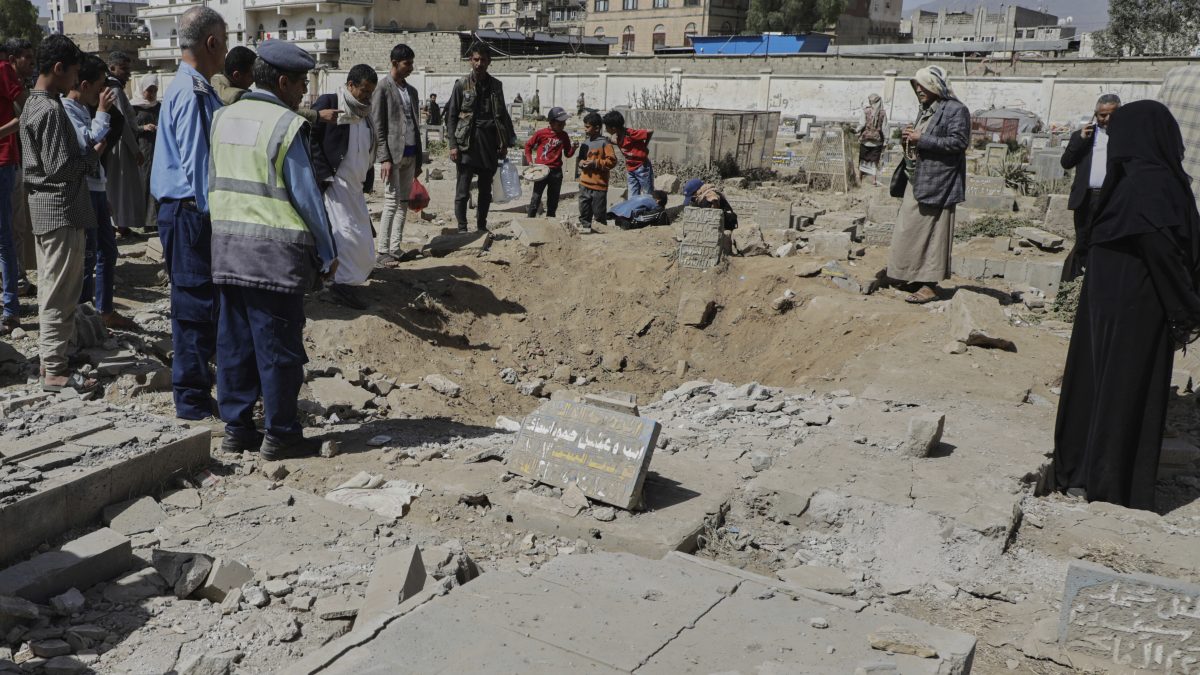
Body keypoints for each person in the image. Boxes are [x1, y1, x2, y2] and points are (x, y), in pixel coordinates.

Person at [1053, 100, 1200, 511]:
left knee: (1098, 384)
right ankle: (1112, 485)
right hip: (1139, 308)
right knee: (1126, 392)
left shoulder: (1125, 182)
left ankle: (1081, 473)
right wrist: (1188, 309)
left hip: (1104, 308)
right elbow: (1163, 253)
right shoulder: (1154, 184)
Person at [208, 41, 338, 460]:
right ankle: (281, 433)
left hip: (227, 250)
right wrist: (328, 249)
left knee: (235, 344)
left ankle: (238, 428)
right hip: (273, 257)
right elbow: (306, 196)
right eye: (301, 83)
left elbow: (208, 185)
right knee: (278, 346)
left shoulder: (222, 118)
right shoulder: (285, 124)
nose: (304, 91)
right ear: (282, 82)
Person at [151, 5, 227, 421]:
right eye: (225, 40)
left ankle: (196, 392)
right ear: (211, 43)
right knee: (195, 306)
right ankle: (192, 401)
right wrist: (217, 218)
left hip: (183, 212)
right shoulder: (193, 91)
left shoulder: (190, 86)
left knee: (198, 302)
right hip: (191, 211)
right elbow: (201, 166)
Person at [21, 35, 100, 393]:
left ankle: (56, 358)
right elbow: (60, 167)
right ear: (58, 69)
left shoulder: (34, 104)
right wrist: (91, 157)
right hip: (61, 210)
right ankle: (53, 368)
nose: (75, 81)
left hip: (50, 209)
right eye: (73, 73)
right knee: (59, 291)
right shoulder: (51, 110)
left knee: (57, 288)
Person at [64, 54, 137, 331]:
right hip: (82, 190)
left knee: (107, 250)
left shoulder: (83, 108)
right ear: (84, 85)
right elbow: (88, 145)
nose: (101, 93)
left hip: (96, 188)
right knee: (88, 255)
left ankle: (104, 310)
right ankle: (84, 316)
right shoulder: (68, 110)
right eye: (98, 87)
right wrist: (104, 112)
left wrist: (103, 189)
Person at [888, 65, 969, 305]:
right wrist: (910, 138)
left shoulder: (956, 110)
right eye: (916, 86)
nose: (919, 90)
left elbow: (959, 142)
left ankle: (930, 285)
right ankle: (911, 275)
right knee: (909, 228)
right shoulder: (927, 109)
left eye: (923, 85)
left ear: (935, 86)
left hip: (940, 181)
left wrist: (921, 138)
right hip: (919, 178)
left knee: (935, 234)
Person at [313, 64, 377, 310]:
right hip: (335, 186)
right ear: (350, 86)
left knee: (362, 239)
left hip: (355, 187)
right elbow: (310, 136)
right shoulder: (330, 101)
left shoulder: (364, 113)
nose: (367, 96)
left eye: (371, 92)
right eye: (364, 90)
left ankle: (349, 281)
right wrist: (324, 175)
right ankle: (340, 287)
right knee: (346, 237)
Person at [446, 43, 515, 233]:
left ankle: (481, 226)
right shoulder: (461, 85)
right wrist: (453, 145)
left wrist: (505, 142)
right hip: (467, 143)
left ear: (489, 62)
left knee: (485, 190)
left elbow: (502, 116)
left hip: (489, 142)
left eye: (483, 60)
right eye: (476, 59)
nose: (479, 64)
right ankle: (462, 228)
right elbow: (451, 117)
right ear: (471, 60)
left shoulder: (496, 86)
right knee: (463, 189)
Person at [1060, 94, 1121, 281]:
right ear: (1095, 115)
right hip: (1087, 198)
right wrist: (1080, 139)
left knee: (1106, 243)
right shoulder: (1085, 135)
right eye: (1102, 115)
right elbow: (1066, 163)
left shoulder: (1125, 136)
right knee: (1083, 242)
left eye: (1112, 115)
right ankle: (1071, 285)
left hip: (1111, 199)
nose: (1107, 119)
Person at [371, 43, 422, 264]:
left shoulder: (411, 91)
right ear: (394, 63)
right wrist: (384, 158)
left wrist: (419, 157)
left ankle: (395, 247)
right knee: (391, 202)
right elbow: (378, 126)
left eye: (411, 63)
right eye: (407, 63)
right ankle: (382, 251)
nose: (410, 67)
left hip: (410, 154)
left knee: (403, 202)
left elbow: (415, 124)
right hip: (392, 156)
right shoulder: (382, 88)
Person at [213, 44, 335, 127]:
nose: (255, 80)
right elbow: (278, 113)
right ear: (236, 76)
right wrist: (317, 115)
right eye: (252, 75)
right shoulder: (233, 95)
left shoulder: (217, 84)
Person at [0, 38, 31, 334]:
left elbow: (28, 107)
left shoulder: (2, 68)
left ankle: (11, 307)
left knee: (5, 237)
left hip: (4, 161)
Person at [104, 50, 146, 239]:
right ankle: (118, 224)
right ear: (112, 68)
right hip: (120, 145)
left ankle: (121, 223)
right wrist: (135, 149)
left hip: (122, 143)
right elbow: (122, 123)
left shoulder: (117, 88)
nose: (127, 73)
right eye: (123, 69)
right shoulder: (114, 89)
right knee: (119, 186)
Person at [523, 106, 576, 218]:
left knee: (553, 200)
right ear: (551, 122)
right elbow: (528, 146)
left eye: (564, 122)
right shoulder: (541, 134)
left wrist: (574, 148)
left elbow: (568, 154)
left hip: (556, 172)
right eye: (560, 123)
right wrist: (529, 161)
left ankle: (551, 222)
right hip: (541, 170)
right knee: (536, 198)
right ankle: (530, 221)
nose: (563, 125)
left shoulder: (564, 135)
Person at [576, 111, 615, 234]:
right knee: (584, 212)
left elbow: (612, 161)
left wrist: (595, 163)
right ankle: (586, 235)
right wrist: (581, 163)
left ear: (597, 128)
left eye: (588, 127)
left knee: (599, 214)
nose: (585, 129)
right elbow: (580, 159)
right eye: (585, 126)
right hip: (584, 184)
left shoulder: (605, 143)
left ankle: (600, 238)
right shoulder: (585, 143)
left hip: (599, 185)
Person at [132, 74, 161, 231]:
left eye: (154, 90)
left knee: (155, 184)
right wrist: (143, 128)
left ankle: (153, 221)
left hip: (157, 150)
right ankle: (140, 220)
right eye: (149, 90)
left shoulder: (158, 106)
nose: (152, 94)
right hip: (141, 151)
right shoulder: (134, 107)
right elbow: (129, 129)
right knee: (142, 185)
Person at [602, 110, 654, 197]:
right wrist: (609, 140)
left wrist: (645, 145)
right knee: (632, 195)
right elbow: (621, 143)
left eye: (606, 127)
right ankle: (634, 209)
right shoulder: (618, 136)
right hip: (630, 168)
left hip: (642, 167)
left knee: (647, 193)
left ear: (613, 128)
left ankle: (651, 210)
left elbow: (650, 131)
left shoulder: (630, 134)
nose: (605, 129)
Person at [856, 94, 887, 187]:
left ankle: (860, 178)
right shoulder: (882, 113)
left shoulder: (865, 111)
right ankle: (873, 180)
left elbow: (862, 124)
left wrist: (856, 131)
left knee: (862, 160)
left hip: (865, 140)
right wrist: (886, 140)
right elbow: (885, 127)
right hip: (877, 141)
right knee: (874, 161)